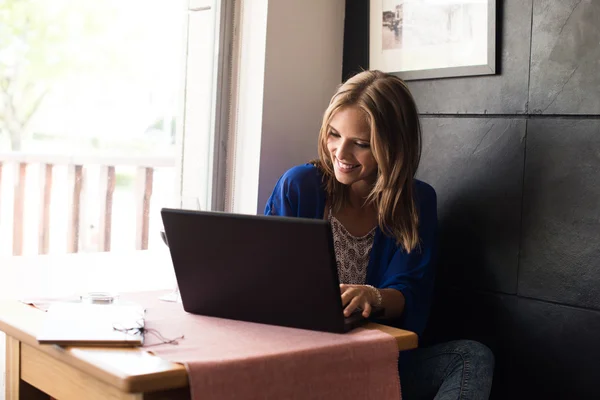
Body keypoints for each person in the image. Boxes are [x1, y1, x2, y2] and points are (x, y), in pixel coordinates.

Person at [264, 70, 494, 399]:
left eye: (360, 144)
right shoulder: (301, 186)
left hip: (374, 359)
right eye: (334, 134)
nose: (340, 153)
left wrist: (372, 296)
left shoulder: (416, 202)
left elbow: (410, 293)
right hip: (303, 355)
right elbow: (268, 279)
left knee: (471, 357)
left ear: (392, 146)